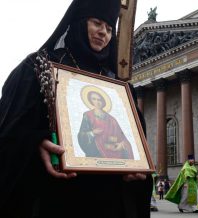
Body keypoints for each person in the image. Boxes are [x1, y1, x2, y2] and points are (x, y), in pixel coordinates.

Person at [0, 0, 153, 217]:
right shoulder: (38, 67)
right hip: (57, 199)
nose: (103, 33)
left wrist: (136, 166)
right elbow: (8, 129)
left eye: (109, 29)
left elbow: (133, 141)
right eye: (97, 23)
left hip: (109, 203)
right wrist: (35, 142)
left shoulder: (119, 86)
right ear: (80, 22)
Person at [78, 90, 134, 159]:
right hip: (96, 153)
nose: (97, 102)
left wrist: (122, 144)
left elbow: (122, 138)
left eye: (99, 100)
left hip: (114, 154)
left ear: (103, 101)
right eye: (94, 99)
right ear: (90, 100)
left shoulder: (112, 119)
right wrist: (92, 133)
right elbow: (81, 136)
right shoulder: (88, 116)